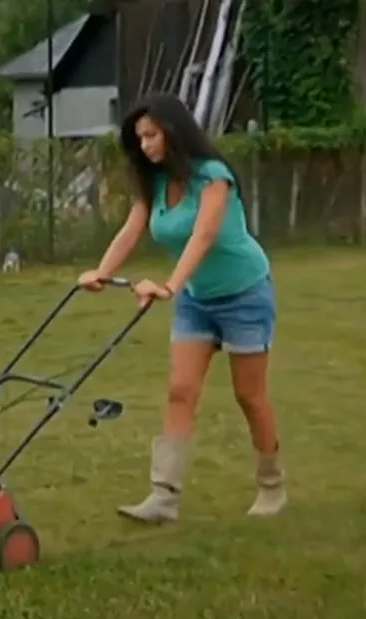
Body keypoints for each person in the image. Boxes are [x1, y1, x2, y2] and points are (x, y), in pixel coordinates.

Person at [77, 93, 286, 522]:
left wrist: (170, 285)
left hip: (245, 294)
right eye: (140, 138)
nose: (147, 145)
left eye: (152, 135)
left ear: (174, 131)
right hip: (197, 299)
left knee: (249, 395)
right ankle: (164, 497)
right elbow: (132, 229)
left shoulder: (213, 176)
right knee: (180, 391)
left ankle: (271, 485)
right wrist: (100, 272)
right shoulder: (154, 185)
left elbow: (204, 235)